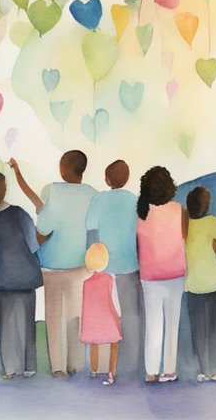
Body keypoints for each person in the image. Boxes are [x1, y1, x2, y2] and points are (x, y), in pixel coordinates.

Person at [10, 151, 96, 377]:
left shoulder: (56, 192)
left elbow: (43, 230)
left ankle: (57, 367)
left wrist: (33, 244)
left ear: (64, 168)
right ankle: (75, 365)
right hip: (80, 265)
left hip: (52, 266)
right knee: (75, 316)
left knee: (53, 317)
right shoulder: (92, 194)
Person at [0, 171, 42, 379]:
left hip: (0, 275)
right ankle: (29, 366)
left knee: (5, 322)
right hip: (24, 274)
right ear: (2, 191)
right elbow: (33, 244)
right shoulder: (18, 213)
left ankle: (11, 367)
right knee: (27, 321)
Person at [85, 160, 142, 381]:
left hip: (104, 268)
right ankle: (131, 364)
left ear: (107, 179)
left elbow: (91, 233)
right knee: (131, 316)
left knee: (103, 317)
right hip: (130, 265)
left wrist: (91, 261)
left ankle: (103, 366)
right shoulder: (134, 201)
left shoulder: (99, 200)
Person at [136, 165, 186, 383]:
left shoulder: (140, 213)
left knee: (153, 324)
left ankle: (150, 371)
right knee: (172, 324)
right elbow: (184, 238)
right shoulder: (179, 209)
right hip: (175, 273)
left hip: (149, 275)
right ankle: (169, 370)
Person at [185, 186, 216, 382]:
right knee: (215, 325)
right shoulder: (213, 222)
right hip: (213, 280)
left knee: (198, 327)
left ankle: (204, 369)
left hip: (193, 282)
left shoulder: (185, 225)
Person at [80, 243, 122, 386]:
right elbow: (114, 300)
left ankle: (94, 369)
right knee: (114, 343)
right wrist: (119, 314)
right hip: (109, 320)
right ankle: (111, 372)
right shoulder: (109, 279)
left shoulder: (86, 283)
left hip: (93, 323)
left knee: (94, 344)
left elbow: (86, 305)